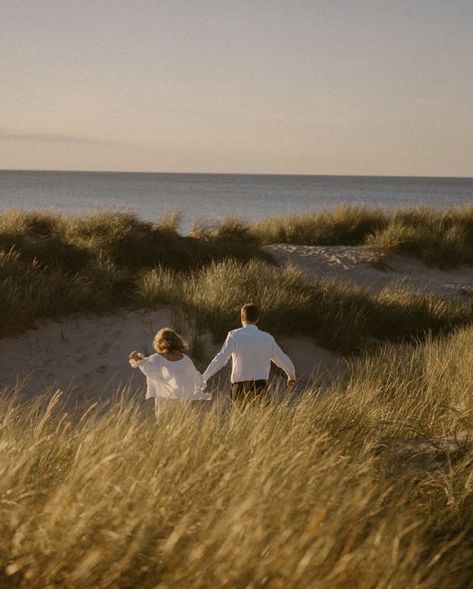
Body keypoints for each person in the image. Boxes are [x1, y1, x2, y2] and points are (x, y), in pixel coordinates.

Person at [202, 303, 296, 401]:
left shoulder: (234, 335)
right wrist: (291, 376)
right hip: (260, 388)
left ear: (241, 318)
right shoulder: (267, 338)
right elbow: (283, 359)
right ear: (257, 319)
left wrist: (203, 378)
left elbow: (220, 359)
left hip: (240, 389)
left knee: (239, 416)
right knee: (262, 416)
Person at [129, 327, 211, 416]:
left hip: (164, 401)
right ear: (177, 341)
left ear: (159, 342)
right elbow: (195, 377)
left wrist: (135, 357)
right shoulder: (185, 359)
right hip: (182, 401)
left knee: (165, 427)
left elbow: (146, 366)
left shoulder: (157, 358)